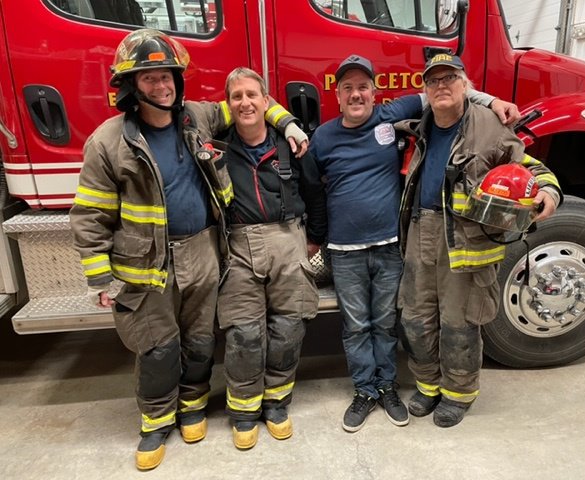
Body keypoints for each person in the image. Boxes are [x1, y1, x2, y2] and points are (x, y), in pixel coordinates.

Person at [69, 30, 308, 470]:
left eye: (167, 77)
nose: (162, 86)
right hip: (145, 263)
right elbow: (89, 215)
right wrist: (100, 276)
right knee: (157, 346)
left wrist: (288, 122)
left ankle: (193, 405)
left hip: (203, 251)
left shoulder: (195, 117)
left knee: (200, 340)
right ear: (129, 86)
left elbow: (249, 102)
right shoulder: (108, 141)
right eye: (149, 79)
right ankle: (156, 421)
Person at [310, 54, 522, 433]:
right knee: (393, 321)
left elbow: (449, 95)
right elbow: (312, 188)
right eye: (348, 88)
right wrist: (316, 237)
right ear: (337, 95)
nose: (356, 95)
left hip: (395, 243)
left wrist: (493, 100)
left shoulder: (397, 115)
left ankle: (405, 389)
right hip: (350, 250)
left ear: (376, 94)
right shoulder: (323, 136)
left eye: (363, 87)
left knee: (401, 322)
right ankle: (372, 390)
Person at [395, 53, 562, 428]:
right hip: (420, 234)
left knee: (459, 322)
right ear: (425, 89)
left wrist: (548, 191)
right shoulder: (417, 126)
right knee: (416, 319)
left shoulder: (489, 125)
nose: (442, 86)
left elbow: (528, 166)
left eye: (449, 78)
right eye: (433, 80)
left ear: (465, 84)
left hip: (466, 241)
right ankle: (427, 385)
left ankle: (458, 394)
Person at [216, 68, 327, 450]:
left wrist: (315, 237)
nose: (245, 102)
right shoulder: (215, 147)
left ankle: (277, 403)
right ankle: (244, 412)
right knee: (244, 333)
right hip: (238, 247)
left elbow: (314, 190)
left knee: (288, 328)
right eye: (237, 96)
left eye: (252, 95)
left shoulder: (290, 146)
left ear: (267, 102)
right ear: (228, 106)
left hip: (289, 240)